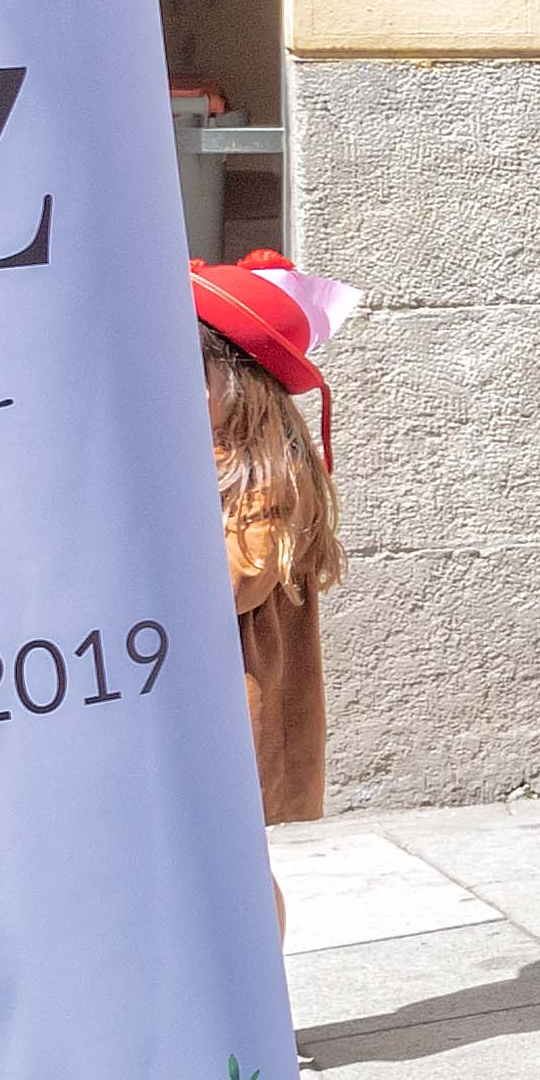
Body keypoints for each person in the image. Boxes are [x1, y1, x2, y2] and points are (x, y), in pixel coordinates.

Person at [192, 253, 352, 857]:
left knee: (234, 869)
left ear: (240, 382)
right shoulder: (191, 456)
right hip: (190, 693)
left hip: (241, 702)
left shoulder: (269, 481)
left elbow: (235, 583)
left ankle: (261, 958)